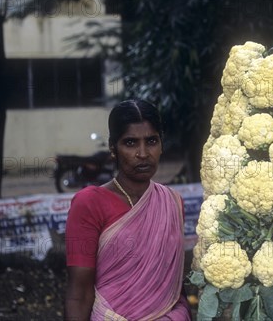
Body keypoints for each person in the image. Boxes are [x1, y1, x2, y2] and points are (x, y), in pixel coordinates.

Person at [65, 100, 191, 320]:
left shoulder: (172, 202)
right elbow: (79, 294)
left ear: (161, 145)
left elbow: (174, 288)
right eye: (130, 143)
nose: (143, 153)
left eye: (151, 141)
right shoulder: (89, 203)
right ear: (113, 149)